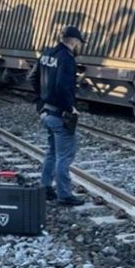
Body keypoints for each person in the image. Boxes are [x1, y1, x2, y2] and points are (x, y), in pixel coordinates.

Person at [27, 26, 87, 206]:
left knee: (52, 152)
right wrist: (70, 108)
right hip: (60, 114)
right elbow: (62, 86)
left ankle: (45, 187)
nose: (78, 47)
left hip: (46, 111)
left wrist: (40, 100)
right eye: (79, 43)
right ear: (74, 41)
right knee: (64, 156)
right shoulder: (67, 59)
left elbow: (32, 78)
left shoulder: (47, 53)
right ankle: (65, 195)